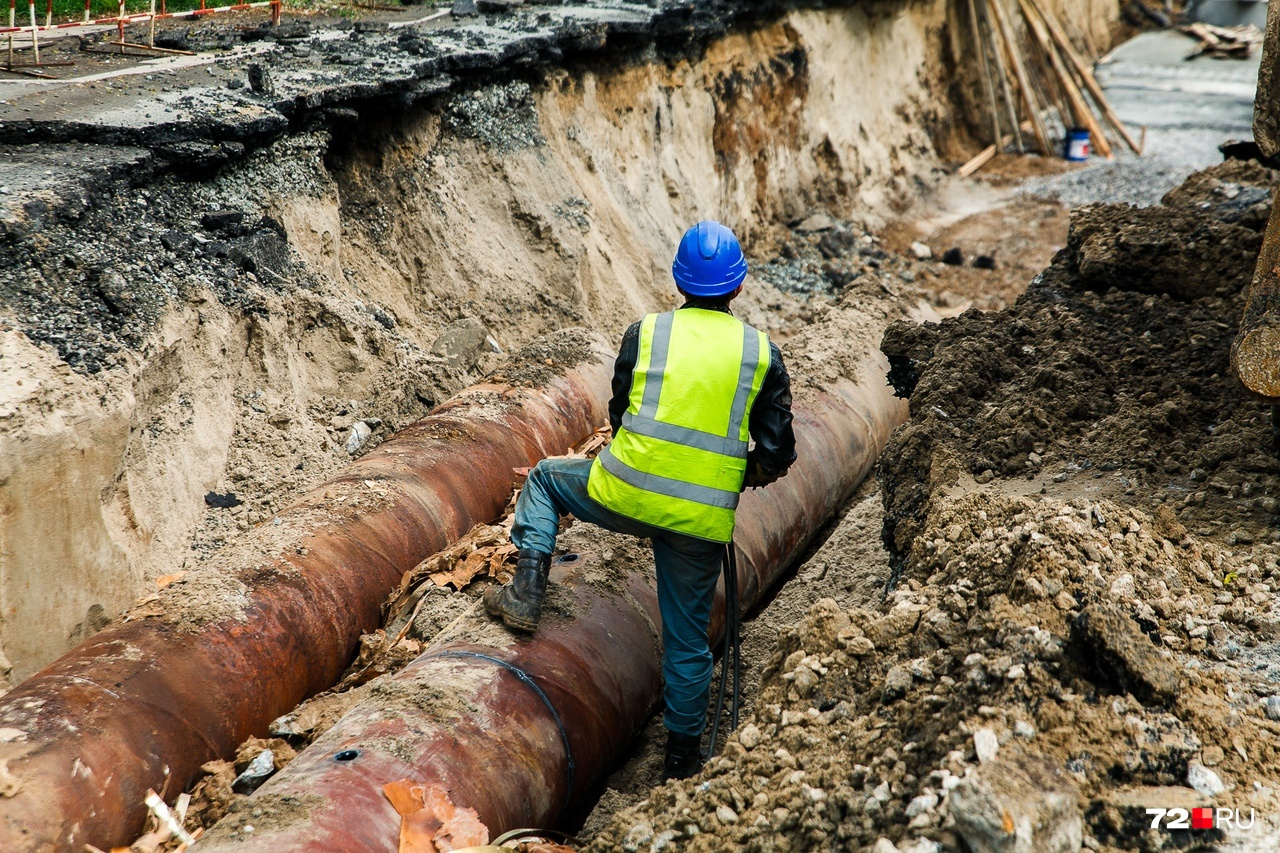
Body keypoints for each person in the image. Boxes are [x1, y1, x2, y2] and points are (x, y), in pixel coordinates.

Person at [483, 220, 796, 781]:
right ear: (739, 287)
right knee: (687, 643)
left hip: (623, 488)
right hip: (699, 519)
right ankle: (681, 765)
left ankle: (526, 592)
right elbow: (777, 453)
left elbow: (622, 412)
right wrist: (725, 476)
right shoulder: (760, 354)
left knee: (548, 480)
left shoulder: (646, 333)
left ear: (678, 281)